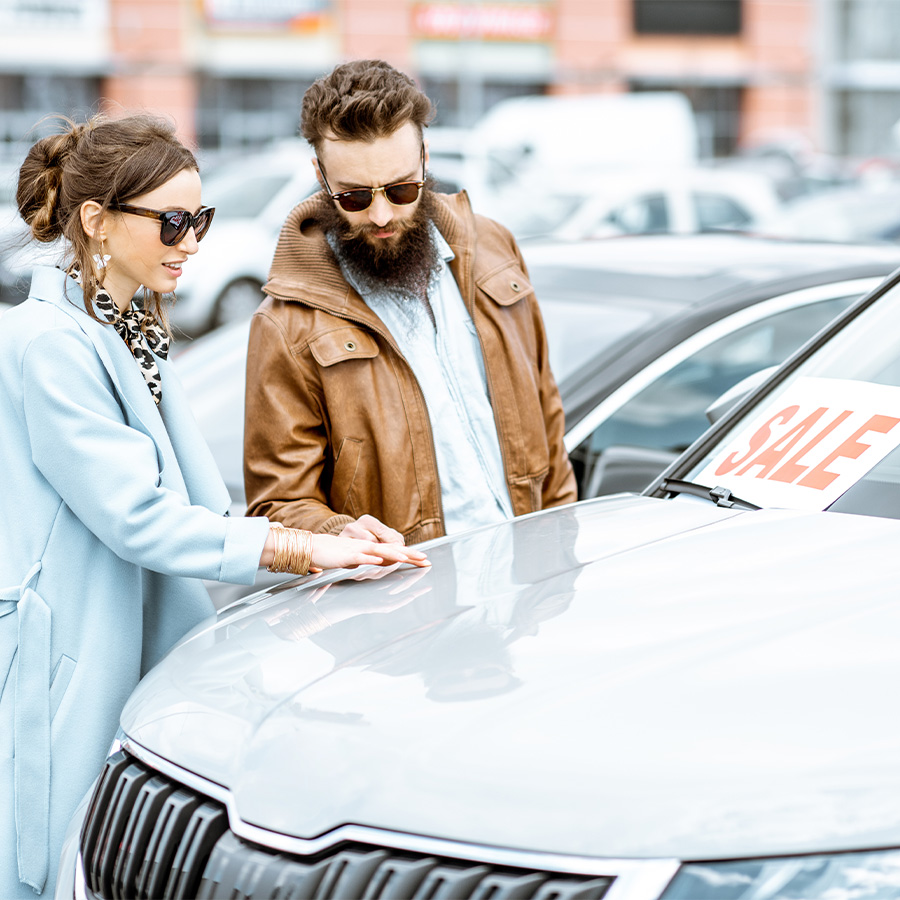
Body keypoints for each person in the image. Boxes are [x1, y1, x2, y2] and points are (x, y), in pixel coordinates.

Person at [0, 112, 428, 899]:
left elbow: (194, 508)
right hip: (71, 652)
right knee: (55, 866)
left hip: (127, 641)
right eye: (170, 221)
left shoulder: (127, 327)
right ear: (96, 220)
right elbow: (138, 518)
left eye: (199, 217)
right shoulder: (51, 344)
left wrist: (326, 535)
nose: (190, 239)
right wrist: (301, 550)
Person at [243, 59, 577, 545]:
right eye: (354, 198)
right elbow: (279, 506)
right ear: (320, 176)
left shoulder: (494, 251)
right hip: (412, 608)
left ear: (424, 158)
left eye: (401, 189)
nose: (381, 215)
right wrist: (340, 532)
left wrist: (560, 554)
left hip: (530, 589)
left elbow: (549, 425)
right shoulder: (287, 324)